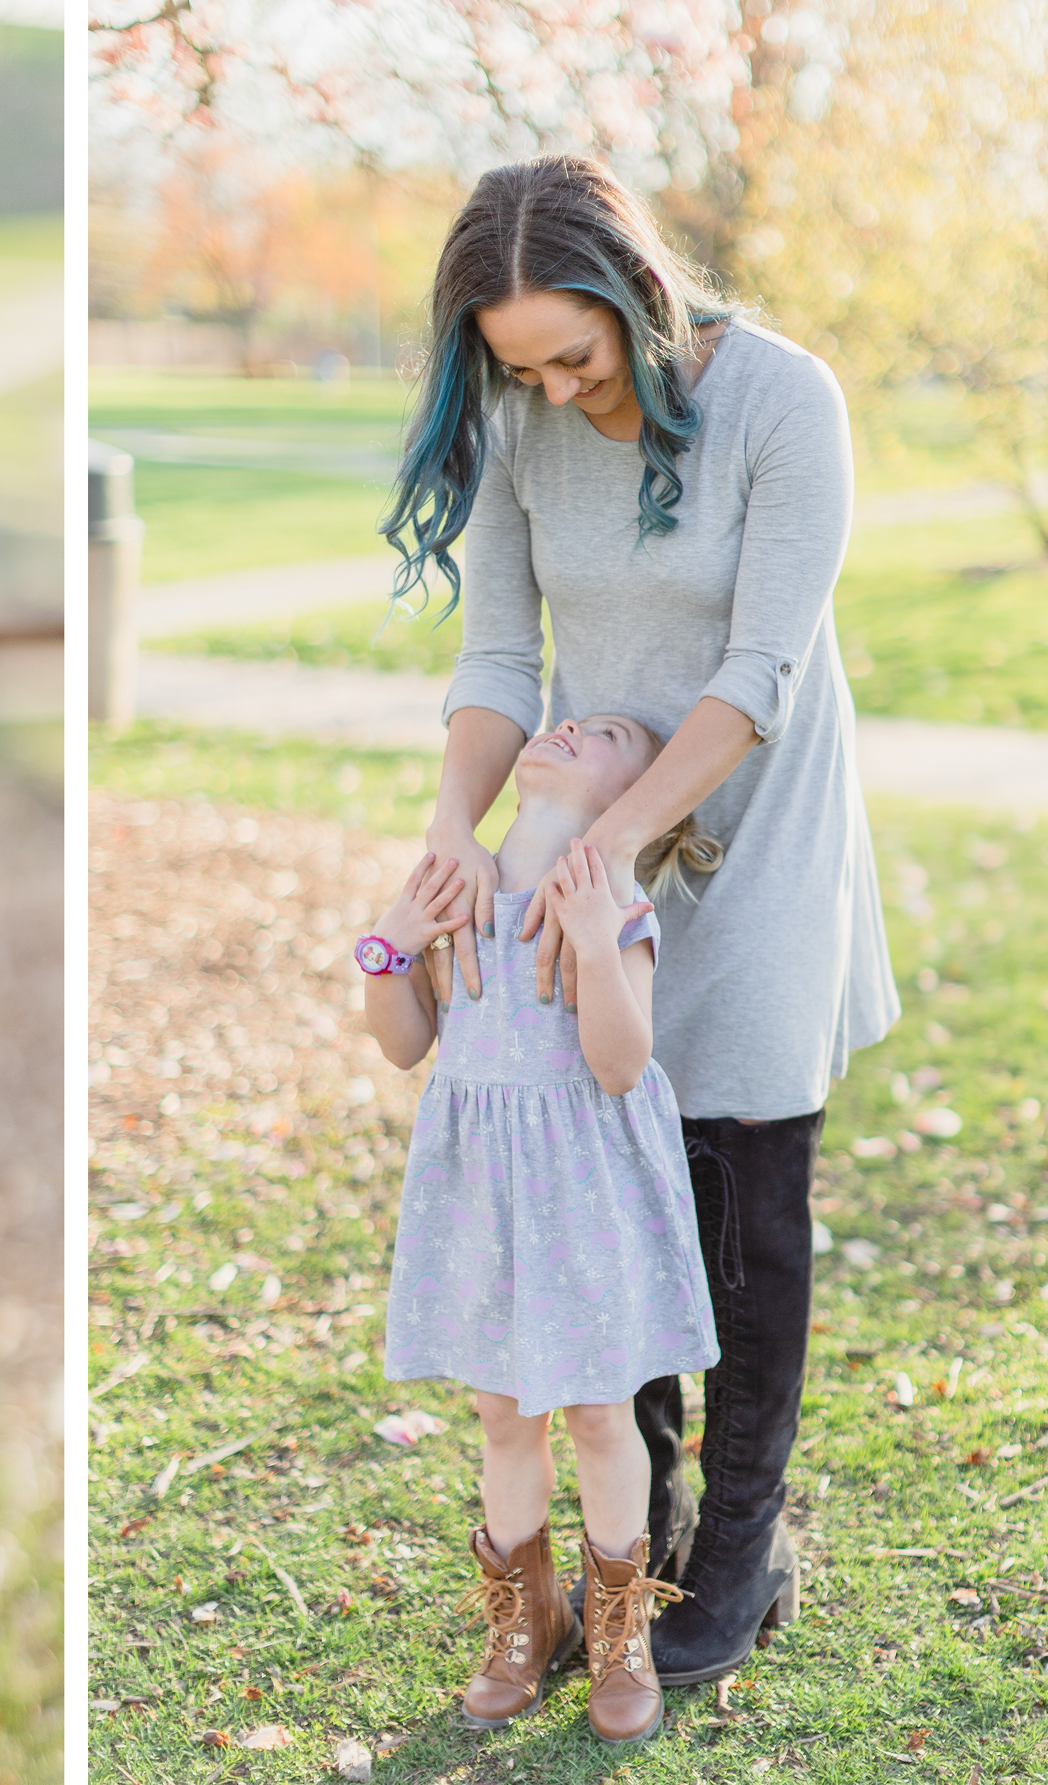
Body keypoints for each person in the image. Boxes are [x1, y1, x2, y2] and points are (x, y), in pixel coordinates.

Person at [380, 152, 899, 1689]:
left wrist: (601, 849)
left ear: (642, 301)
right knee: (620, 1179)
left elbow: (759, 672)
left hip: (746, 828)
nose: (553, 391)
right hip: (588, 840)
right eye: (519, 367)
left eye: (579, 360)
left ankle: (739, 1545)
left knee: (743, 1189)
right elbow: (496, 658)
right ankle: (642, 1524)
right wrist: (451, 838)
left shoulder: (784, 403)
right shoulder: (518, 424)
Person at [361, 713, 725, 1744]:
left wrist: (592, 946)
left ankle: (619, 1626)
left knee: (602, 1413)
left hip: (584, 1191)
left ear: (633, 801)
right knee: (502, 1412)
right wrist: (392, 942)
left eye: (605, 733)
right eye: (569, 718)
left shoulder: (616, 901)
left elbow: (618, 1065)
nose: (569, 727)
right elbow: (402, 1046)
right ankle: (527, 1616)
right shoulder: (457, 876)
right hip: (481, 1190)